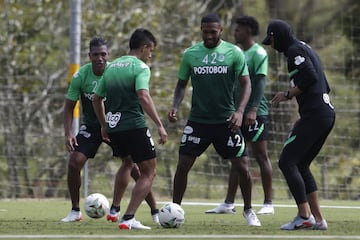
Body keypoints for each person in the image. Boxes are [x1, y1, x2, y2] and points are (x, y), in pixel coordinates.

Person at [168, 13, 261, 227]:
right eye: (205, 31)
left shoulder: (234, 52)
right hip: (198, 122)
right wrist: (175, 105)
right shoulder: (191, 54)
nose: (209, 35)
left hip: (226, 121)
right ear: (201, 30)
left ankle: (248, 210)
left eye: (213, 31)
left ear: (221, 31)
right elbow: (181, 84)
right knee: (183, 165)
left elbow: (247, 84)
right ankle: (175, 210)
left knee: (242, 166)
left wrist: (240, 111)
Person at [61, 37, 160, 224]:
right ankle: (75, 210)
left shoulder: (116, 71)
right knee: (75, 162)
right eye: (96, 54)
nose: (100, 58)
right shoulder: (81, 76)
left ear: (108, 55)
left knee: (134, 166)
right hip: (92, 126)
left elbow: (138, 95)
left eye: (103, 54)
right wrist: (68, 132)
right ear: (89, 56)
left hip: (115, 124)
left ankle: (154, 210)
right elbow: (68, 105)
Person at [263, 19, 335, 230]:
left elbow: (310, 77)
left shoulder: (294, 51)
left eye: (271, 41)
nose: (272, 46)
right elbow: (325, 84)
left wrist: (287, 94)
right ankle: (319, 220)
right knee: (300, 164)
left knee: (287, 161)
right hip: (325, 112)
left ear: (277, 37)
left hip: (315, 115)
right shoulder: (304, 47)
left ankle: (304, 216)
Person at [93, 28, 168, 230]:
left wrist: (104, 124)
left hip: (115, 127)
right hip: (134, 125)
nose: (150, 55)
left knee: (127, 163)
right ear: (144, 48)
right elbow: (143, 96)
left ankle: (114, 210)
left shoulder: (112, 67)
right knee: (149, 172)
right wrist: (160, 125)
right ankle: (128, 217)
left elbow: (96, 99)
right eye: (150, 50)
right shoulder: (141, 67)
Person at [206, 16, 274, 215]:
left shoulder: (258, 53)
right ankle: (228, 203)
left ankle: (268, 203)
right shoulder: (234, 53)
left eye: (238, 29)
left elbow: (260, 83)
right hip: (236, 112)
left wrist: (252, 109)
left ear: (249, 31)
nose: (235, 33)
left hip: (254, 113)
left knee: (261, 156)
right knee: (238, 156)